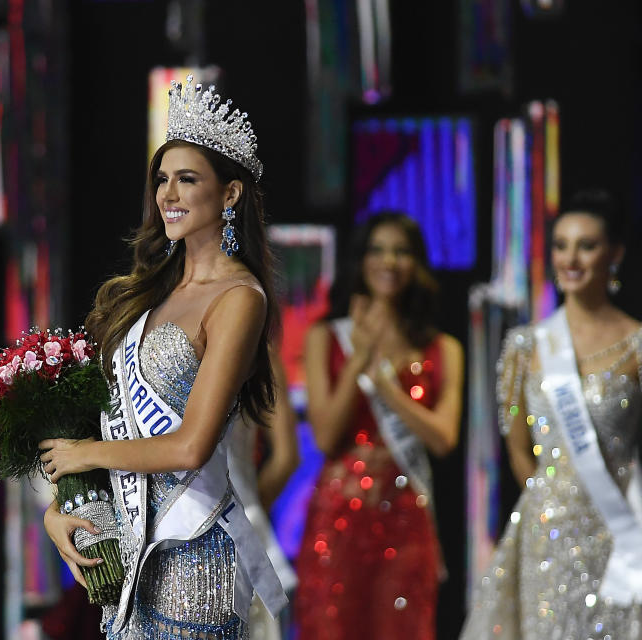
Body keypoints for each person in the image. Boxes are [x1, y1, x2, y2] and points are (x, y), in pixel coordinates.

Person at [38, 76, 288, 639]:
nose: (168, 194)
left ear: (230, 194)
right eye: (162, 180)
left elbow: (191, 445)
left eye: (187, 179)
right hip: (127, 556)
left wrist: (84, 454)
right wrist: (61, 508)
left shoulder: (239, 299)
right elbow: (102, 416)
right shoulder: (144, 293)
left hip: (193, 559)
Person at [460, 189, 642, 639]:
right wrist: (551, 503)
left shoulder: (637, 345)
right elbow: (519, 447)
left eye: (587, 245)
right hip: (548, 533)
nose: (571, 258)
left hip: (623, 536)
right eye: (561, 245)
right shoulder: (526, 347)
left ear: (614, 254)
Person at [294, 212, 464, 639]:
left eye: (401, 251)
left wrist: (387, 386)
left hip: (408, 523)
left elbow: (443, 438)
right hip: (337, 521)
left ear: (417, 264)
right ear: (360, 260)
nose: (389, 261)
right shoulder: (326, 337)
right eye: (377, 250)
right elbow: (327, 437)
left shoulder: (443, 347)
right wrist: (358, 359)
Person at [226, 346, 299, 639]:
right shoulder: (255, 348)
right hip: (241, 527)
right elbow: (287, 457)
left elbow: (286, 458)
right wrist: (250, 509)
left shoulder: (147, 336)